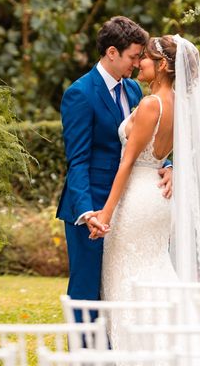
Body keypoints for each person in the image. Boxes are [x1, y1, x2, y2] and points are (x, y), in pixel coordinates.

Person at [89, 35, 200, 350]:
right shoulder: (178, 103)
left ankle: (143, 350)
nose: (138, 64)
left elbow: (127, 163)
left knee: (127, 279)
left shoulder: (151, 104)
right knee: (155, 273)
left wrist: (105, 214)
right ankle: (178, 345)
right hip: (159, 200)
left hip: (137, 200)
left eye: (145, 58)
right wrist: (171, 167)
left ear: (162, 65)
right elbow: (174, 152)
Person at [56, 17, 173, 309]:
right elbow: (78, 160)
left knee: (118, 287)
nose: (137, 63)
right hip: (93, 205)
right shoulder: (80, 94)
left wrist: (168, 165)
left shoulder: (134, 90)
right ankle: (84, 355)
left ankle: (112, 354)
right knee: (87, 290)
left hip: (129, 205)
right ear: (112, 52)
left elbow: (148, 140)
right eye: (133, 56)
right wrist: (86, 212)